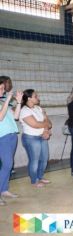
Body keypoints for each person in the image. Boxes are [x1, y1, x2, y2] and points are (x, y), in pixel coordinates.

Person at [20, 89, 52, 187]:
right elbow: (35, 124)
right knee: (34, 160)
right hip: (31, 138)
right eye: (35, 96)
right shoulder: (24, 110)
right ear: (29, 98)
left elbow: (49, 123)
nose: (38, 98)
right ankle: (34, 180)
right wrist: (45, 124)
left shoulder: (38, 108)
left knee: (44, 158)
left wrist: (46, 130)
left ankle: (40, 177)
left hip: (42, 136)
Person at [0, 76, 22, 206]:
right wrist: (8, 99)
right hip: (2, 137)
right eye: (1, 89)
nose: (3, 91)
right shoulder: (4, 102)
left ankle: (4, 189)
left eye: (3, 89)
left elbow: (16, 116)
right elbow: (1, 118)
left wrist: (18, 102)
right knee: (7, 165)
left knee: (8, 165)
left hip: (12, 136)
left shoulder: (3, 102)